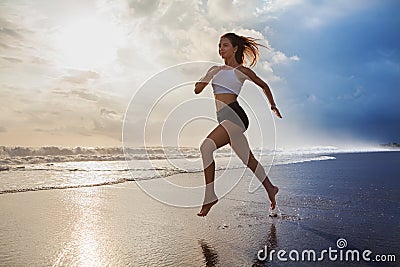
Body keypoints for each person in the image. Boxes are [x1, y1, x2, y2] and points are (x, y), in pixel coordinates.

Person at [194, 32, 282, 217]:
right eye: (219, 45)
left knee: (206, 147)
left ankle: (210, 195)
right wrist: (208, 75)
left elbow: (264, 85)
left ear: (235, 48)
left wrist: (272, 105)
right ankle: (270, 188)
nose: (221, 49)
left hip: (235, 116)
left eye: (225, 45)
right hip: (223, 118)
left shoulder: (241, 72)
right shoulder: (215, 70)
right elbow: (197, 89)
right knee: (248, 160)